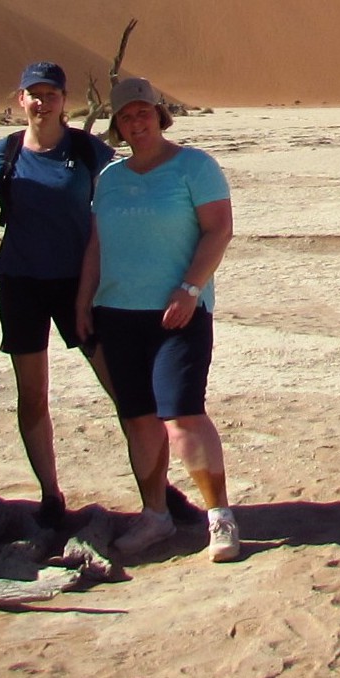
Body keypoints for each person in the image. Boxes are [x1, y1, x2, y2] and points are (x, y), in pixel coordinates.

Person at [0, 61, 120, 530]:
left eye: (51, 94)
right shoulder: (6, 152)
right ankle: (51, 496)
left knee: (121, 388)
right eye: (34, 93)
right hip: (21, 283)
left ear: (63, 101)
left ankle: (158, 492)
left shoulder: (87, 150)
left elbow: (123, 196)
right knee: (32, 395)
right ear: (21, 100)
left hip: (79, 285)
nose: (42, 101)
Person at [77, 76, 241, 563]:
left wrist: (190, 288)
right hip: (117, 313)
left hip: (179, 313)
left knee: (183, 415)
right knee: (139, 420)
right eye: (126, 116)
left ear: (159, 114)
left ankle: (220, 517)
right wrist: (83, 301)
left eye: (143, 112)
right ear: (117, 125)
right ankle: (155, 516)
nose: (136, 121)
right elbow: (97, 244)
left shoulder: (195, 166)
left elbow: (220, 229)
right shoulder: (109, 179)